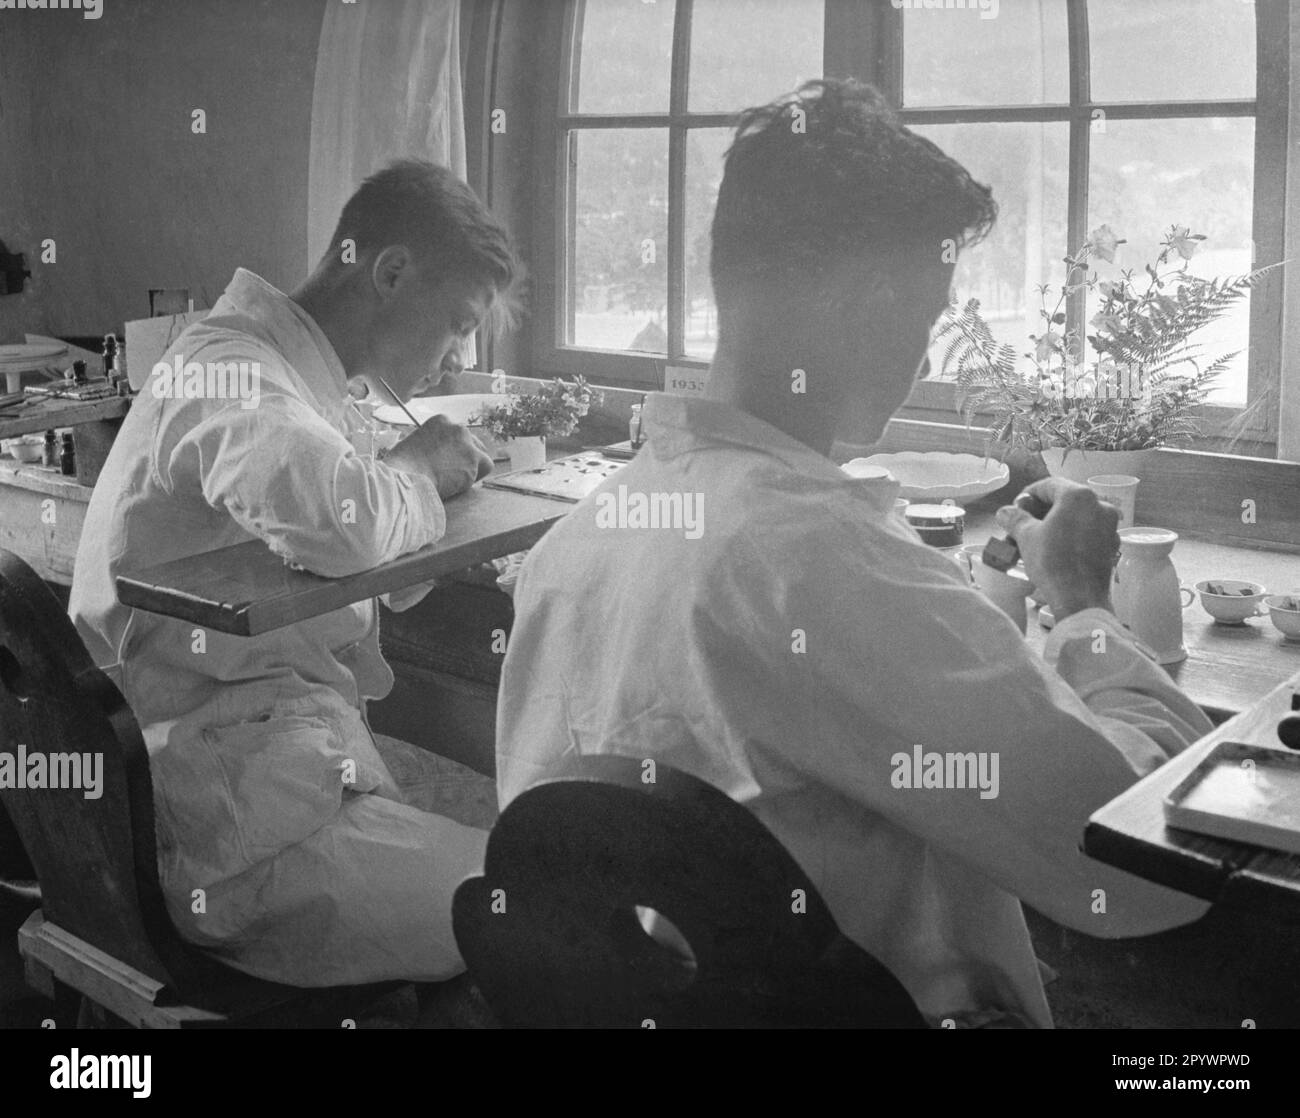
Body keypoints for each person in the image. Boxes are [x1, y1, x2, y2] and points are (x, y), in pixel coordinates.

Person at [495, 81, 1212, 1028]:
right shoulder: (828, 562)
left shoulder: (572, 549)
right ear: (869, 302)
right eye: (927, 314)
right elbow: (1142, 870)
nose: (925, 358)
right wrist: (1083, 607)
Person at [71, 159, 519, 987]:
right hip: (223, 825)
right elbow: (340, 522)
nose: (454, 359)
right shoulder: (229, 367)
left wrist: (409, 491)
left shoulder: (297, 381)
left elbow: (324, 537)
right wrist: (415, 470)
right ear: (389, 271)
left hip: (264, 763)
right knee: (541, 920)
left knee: (534, 848)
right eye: (456, 325)